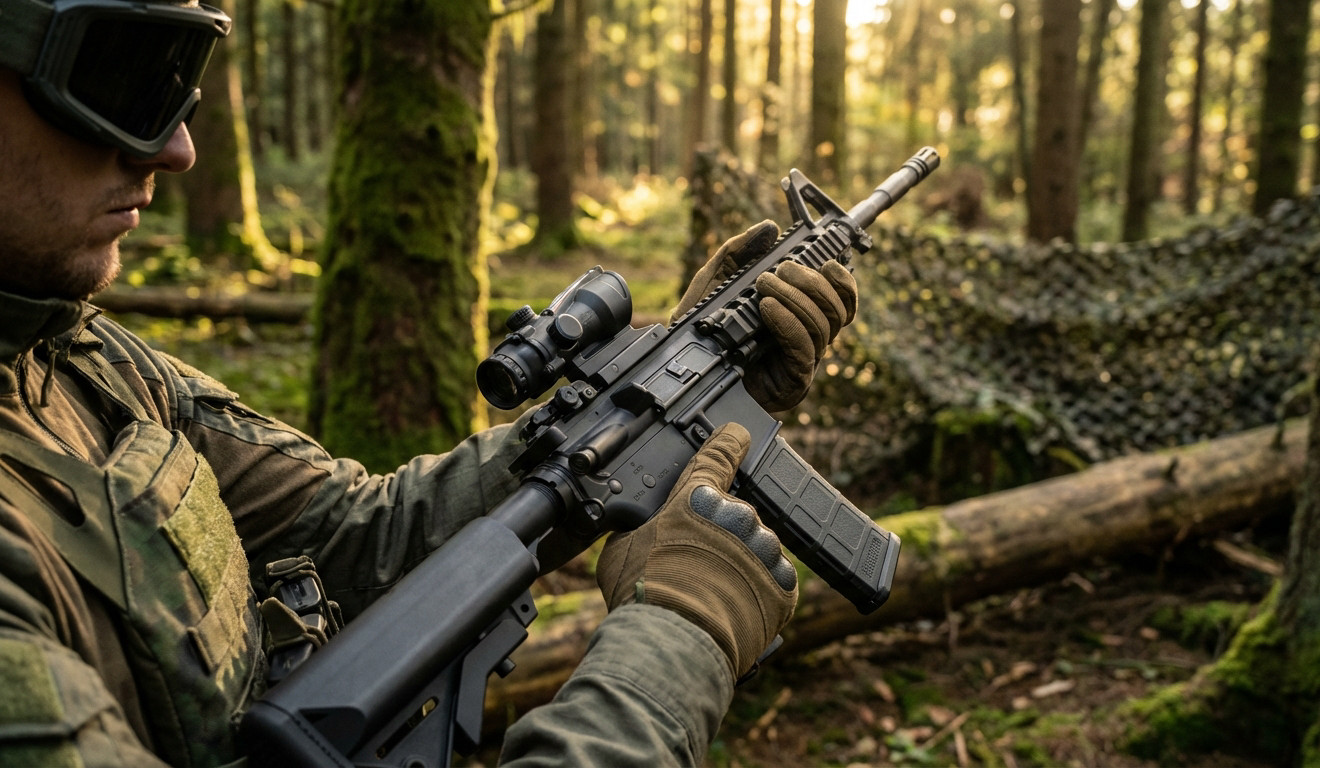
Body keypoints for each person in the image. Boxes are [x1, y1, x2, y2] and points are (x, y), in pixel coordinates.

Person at [0, 1, 859, 766]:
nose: (179, 149)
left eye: (177, 86)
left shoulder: (77, 360)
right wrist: (677, 642)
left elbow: (356, 536)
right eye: (114, 76)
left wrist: (656, 394)